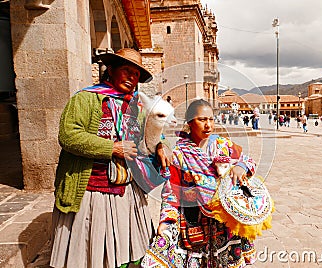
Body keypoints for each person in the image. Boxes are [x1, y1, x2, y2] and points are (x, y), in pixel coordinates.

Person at [50, 48, 170, 268]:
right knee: (89, 250)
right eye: (127, 71)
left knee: (129, 248)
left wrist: (160, 145)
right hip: (91, 190)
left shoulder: (135, 107)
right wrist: (112, 148)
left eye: (136, 75)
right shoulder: (85, 99)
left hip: (127, 190)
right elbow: (68, 135)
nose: (132, 78)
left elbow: (149, 135)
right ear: (111, 70)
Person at [152, 99, 271, 267]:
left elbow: (248, 161)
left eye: (211, 119)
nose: (208, 125)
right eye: (202, 120)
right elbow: (171, 192)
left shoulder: (224, 145)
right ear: (190, 123)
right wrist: (166, 221)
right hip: (194, 220)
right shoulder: (178, 154)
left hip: (225, 220)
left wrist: (240, 166)